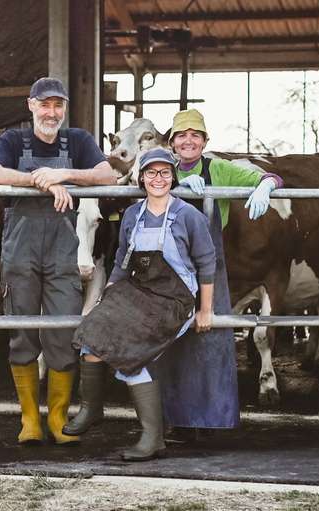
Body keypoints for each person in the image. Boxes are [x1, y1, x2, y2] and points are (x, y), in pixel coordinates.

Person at [0, 77, 116, 445]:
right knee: (22, 333)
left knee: (61, 334)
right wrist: (40, 182)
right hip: (20, 252)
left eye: (58, 105)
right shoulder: (12, 141)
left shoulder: (78, 141)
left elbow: (108, 174)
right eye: (45, 105)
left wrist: (65, 174)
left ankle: (57, 418)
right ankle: (29, 418)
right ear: (31, 106)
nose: (51, 112)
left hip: (62, 254)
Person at [65, 147, 217, 461]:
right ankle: (92, 408)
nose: (157, 178)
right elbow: (122, 261)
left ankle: (152, 437)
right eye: (151, 172)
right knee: (91, 335)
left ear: (173, 177)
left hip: (175, 299)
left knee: (134, 356)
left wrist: (205, 309)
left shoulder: (188, 215)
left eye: (164, 173)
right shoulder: (133, 214)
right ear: (141, 177)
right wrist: (108, 296)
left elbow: (207, 264)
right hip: (136, 292)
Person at [159, 108, 284, 436]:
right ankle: (178, 422)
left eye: (195, 135)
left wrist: (265, 187)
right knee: (175, 341)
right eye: (182, 135)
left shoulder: (220, 169)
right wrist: (180, 184)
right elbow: (134, 182)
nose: (188, 141)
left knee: (213, 339)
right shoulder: (162, 168)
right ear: (172, 142)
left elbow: (271, 177)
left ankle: (214, 421)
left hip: (211, 264)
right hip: (170, 266)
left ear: (204, 141)